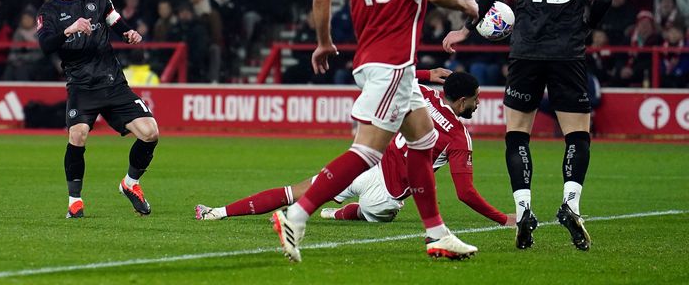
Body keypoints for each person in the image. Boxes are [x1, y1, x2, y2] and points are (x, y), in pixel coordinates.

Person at [271, 0, 479, 262]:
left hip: (371, 60)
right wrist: (467, 6)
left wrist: (323, 42)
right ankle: (297, 216)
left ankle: (437, 233)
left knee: (422, 140)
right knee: (367, 151)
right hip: (395, 62)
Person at [443, 0, 613, 251]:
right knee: (577, 135)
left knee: (518, 134)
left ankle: (523, 211)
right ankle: (571, 205)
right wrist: (586, 28)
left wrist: (464, 29)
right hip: (568, 51)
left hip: (526, 51)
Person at [197, 71, 516, 228]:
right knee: (379, 213)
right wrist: (504, 219)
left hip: (366, 166)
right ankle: (336, 213)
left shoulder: (421, 94)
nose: (478, 103)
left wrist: (428, 75)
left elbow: (393, 77)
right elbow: (465, 193)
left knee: (296, 190)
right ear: (462, 101)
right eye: (476, 98)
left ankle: (217, 212)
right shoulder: (459, 137)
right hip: (387, 195)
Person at [37, 0, 160, 219]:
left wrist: (128, 32)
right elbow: (45, 45)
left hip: (112, 81)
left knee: (150, 133)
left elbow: (115, 20)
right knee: (77, 135)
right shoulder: (49, 11)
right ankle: (75, 201)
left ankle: (131, 183)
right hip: (82, 85)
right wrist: (69, 29)